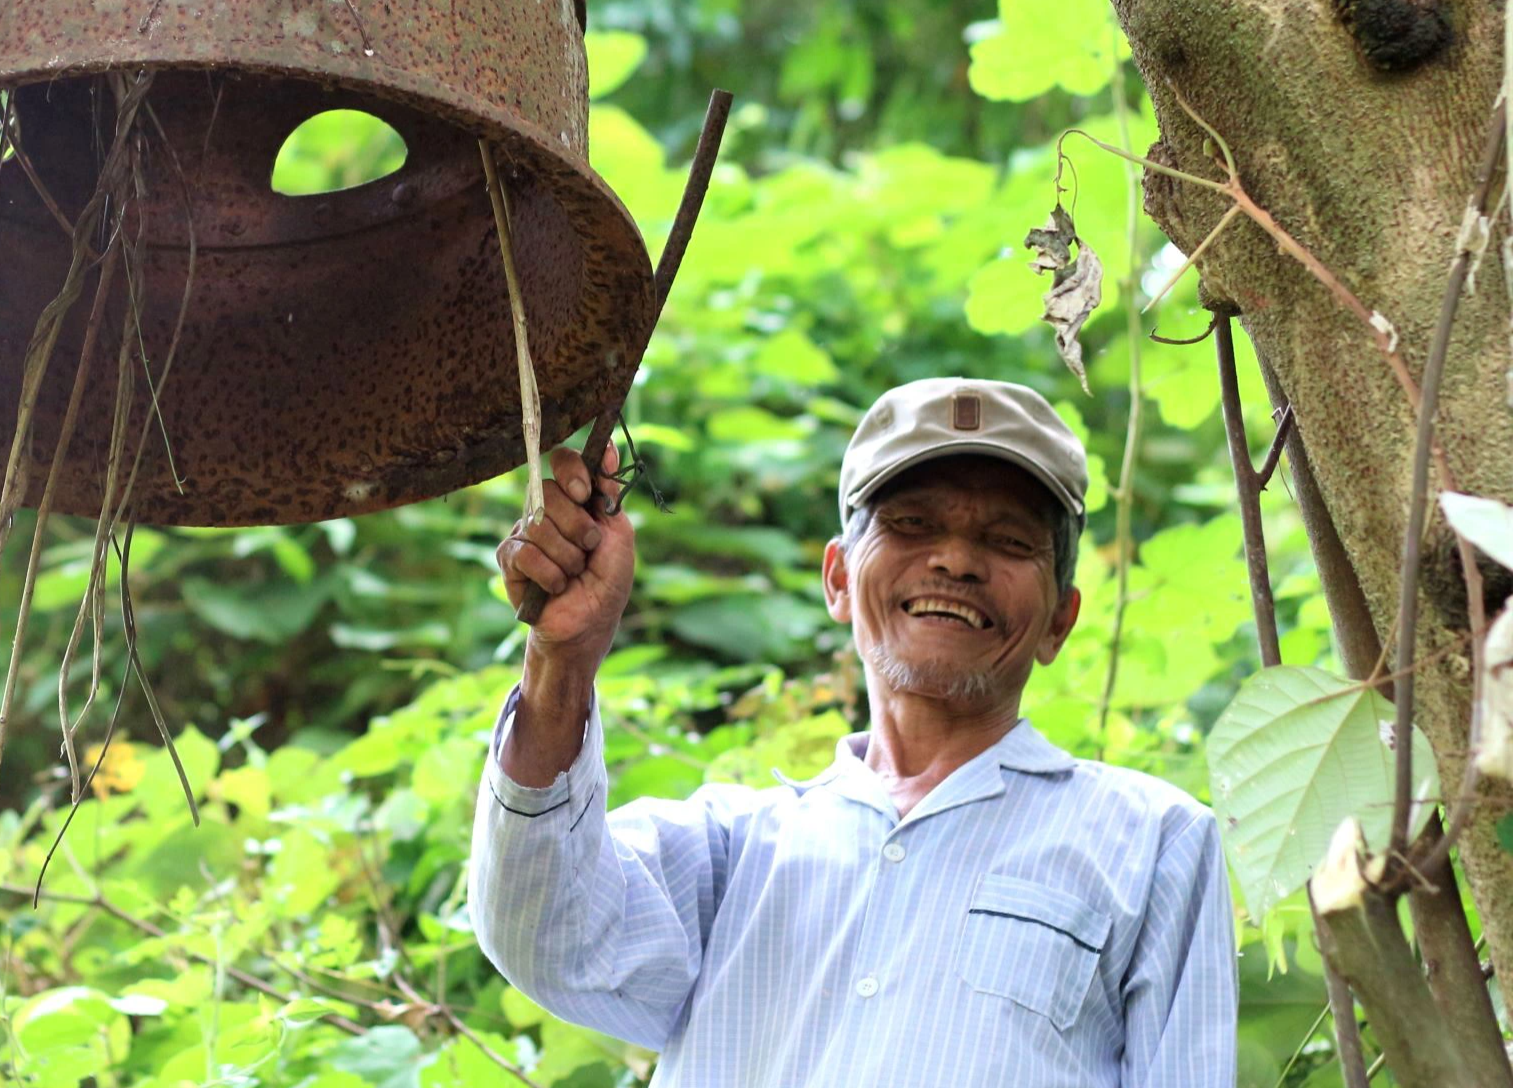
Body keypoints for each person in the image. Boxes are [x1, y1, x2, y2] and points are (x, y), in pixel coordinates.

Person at [469, 377, 1237, 1086]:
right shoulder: (729, 854)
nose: (956, 559)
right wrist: (561, 660)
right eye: (911, 522)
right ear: (838, 577)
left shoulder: (1155, 842)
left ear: (1060, 620)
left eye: (1008, 541)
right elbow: (547, 933)